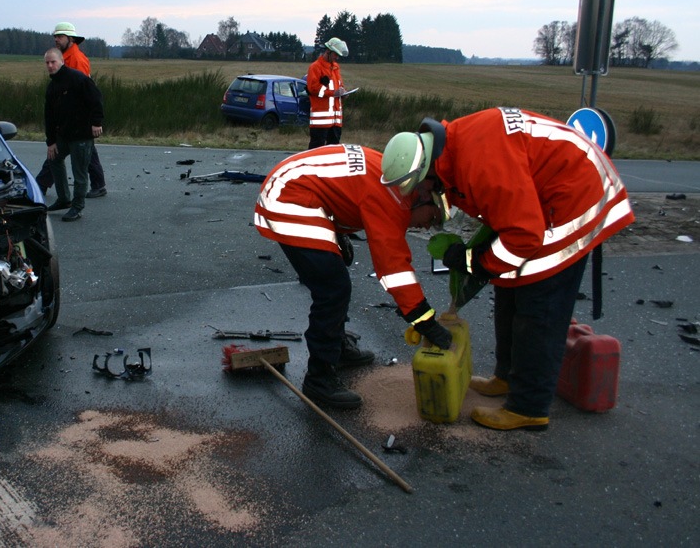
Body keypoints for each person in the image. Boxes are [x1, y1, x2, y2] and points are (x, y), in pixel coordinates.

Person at [381, 107, 635, 431]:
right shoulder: (454, 155)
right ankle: (506, 376)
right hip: (546, 198)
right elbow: (506, 218)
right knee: (509, 283)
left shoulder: (479, 164)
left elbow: (524, 236)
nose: (423, 196)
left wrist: (476, 263)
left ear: (428, 170)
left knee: (538, 298)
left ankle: (529, 406)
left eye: (419, 188)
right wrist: (484, 264)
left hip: (578, 194)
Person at [254, 143, 453, 408]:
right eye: (433, 216)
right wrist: (425, 322)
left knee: (334, 277)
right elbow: (394, 270)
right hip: (287, 198)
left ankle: (336, 349)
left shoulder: (397, 175)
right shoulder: (392, 200)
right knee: (333, 288)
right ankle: (319, 380)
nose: (428, 225)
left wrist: (338, 232)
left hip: (295, 186)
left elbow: (344, 190)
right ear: (423, 194)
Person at [35, 22, 108, 198]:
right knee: (83, 150)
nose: (56, 39)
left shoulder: (76, 59)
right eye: (55, 36)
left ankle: (41, 185)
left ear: (70, 38)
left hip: (77, 118)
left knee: (59, 152)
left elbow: (87, 92)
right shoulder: (66, 56)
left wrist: (92, 120)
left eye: (59, 36)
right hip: (72, 120)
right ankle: (98, 184)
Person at [43, 48, 104, 222]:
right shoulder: (52, 86)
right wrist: (51, 141)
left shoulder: (78, 79)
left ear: (61, 61)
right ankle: (64, 200)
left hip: (82, 135)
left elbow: (96, 99)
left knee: (80, 172)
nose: (50, 65)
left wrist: (96, 122)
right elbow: (49, 116)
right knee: (53, 159)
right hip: (63, 136)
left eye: (53, 61)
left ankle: (77, 207)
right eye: (47, 62)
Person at [306, 37, 350, 149]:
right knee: (316, 152)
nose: (337, 57)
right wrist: (333, 93)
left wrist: (343, 93)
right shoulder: (315, 67)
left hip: (336, 121)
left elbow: (339, 86)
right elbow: (313, 89)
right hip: (320, 122)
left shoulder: (335, 68)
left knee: (333, 153)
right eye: (335, 54)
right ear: (328, 52)